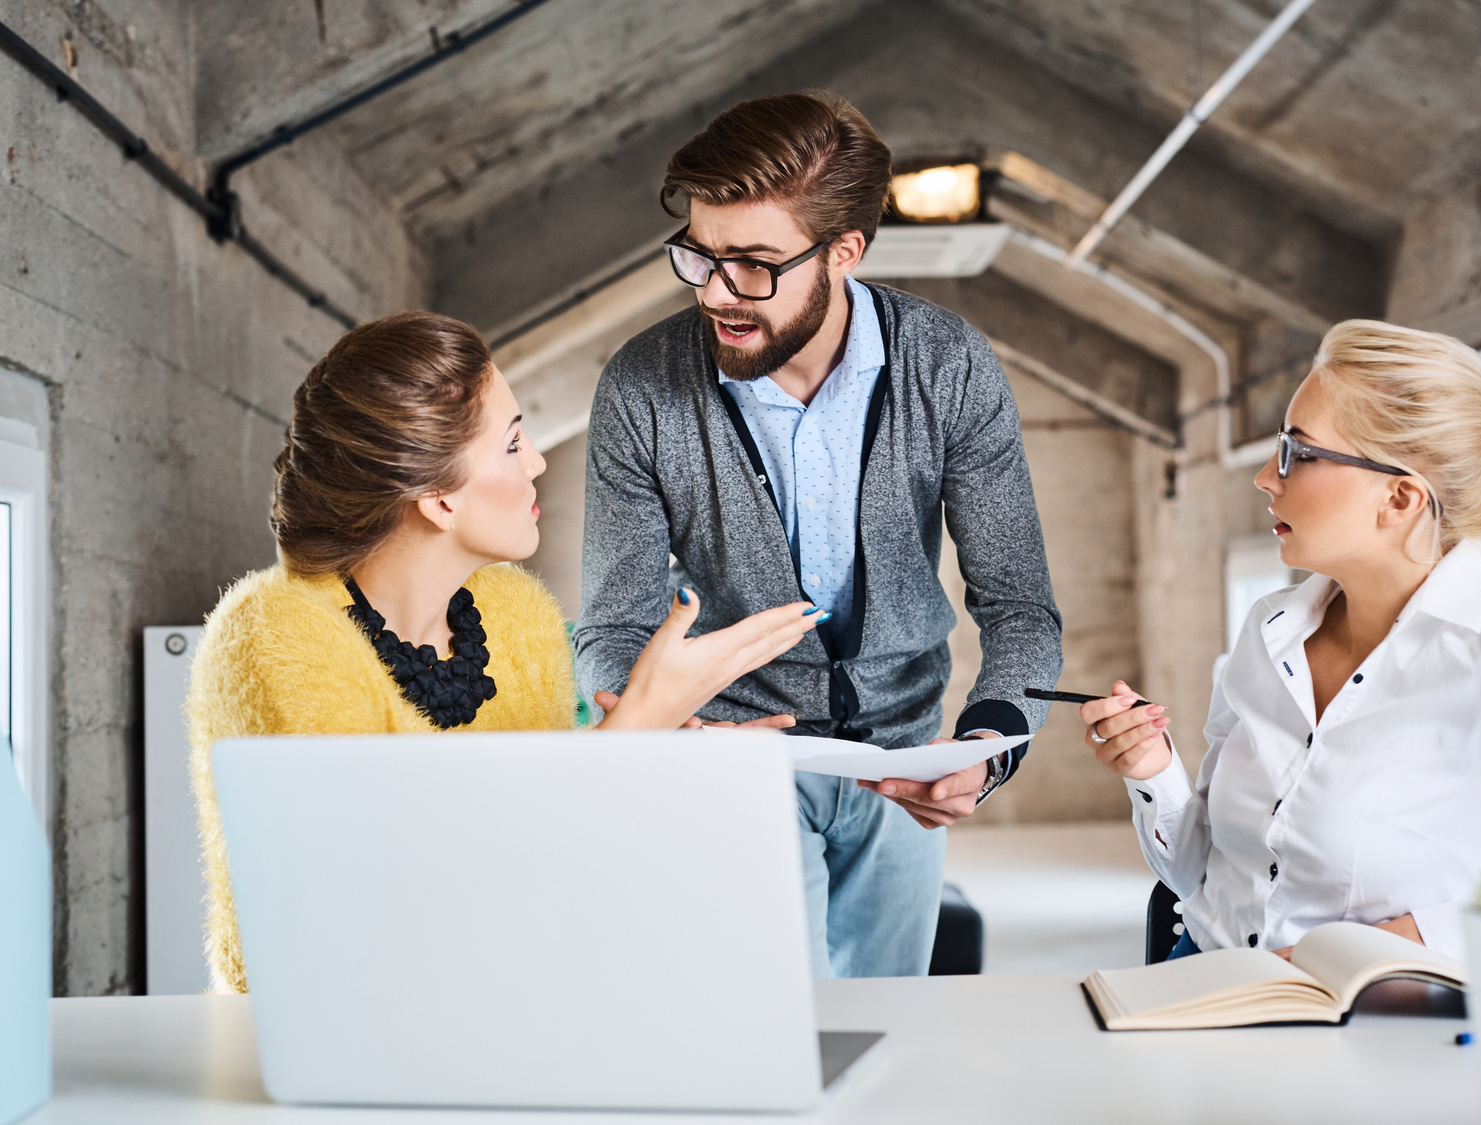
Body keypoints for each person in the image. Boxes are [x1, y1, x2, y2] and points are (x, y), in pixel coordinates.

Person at [573, 91, 1064, 978]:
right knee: (769, 1036)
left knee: (889, 1037)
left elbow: (1021, 608)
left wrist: (988, 747)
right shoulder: (641, 387)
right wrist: (668, 734)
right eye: (702, 255)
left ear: (845, 251)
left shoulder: (949, 367)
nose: (718, 292)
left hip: (905, 753)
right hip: (732, 764)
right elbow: (612, 629)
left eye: (755, 264)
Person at [188, 311, 824, 993]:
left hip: (512, 1002)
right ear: (438, 498)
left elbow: (549, 867)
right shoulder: (276, 633)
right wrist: (630, 729)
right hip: (340, 1027)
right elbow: (388, 902)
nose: (539, 463)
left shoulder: (515, 614)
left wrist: (663, 767)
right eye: (514, 444)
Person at [1082, 319, 1481, 961]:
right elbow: (1203, 874)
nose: (1264, 475)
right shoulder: (1268, 634)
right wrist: (1154, 772)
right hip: (1205, 984)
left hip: (1373, 1028)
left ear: (1399, 498)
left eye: (1297, 452)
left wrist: (1408, 941)